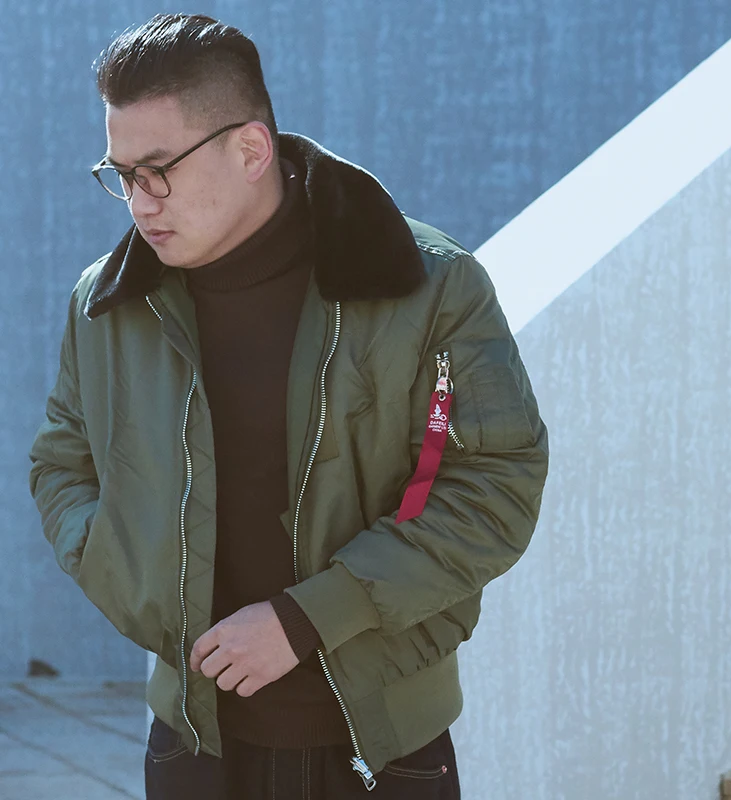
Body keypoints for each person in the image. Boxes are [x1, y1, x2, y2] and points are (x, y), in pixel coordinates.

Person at [29, 13, 548, 800]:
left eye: (158, 170)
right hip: (194, 744)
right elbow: (62, 466)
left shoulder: (426, 285)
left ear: (249, 150)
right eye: (121, 174)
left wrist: (308, 619)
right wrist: (138, 590)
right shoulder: (106, 304)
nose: (138, 201)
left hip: (384, 747)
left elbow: (494, 486)